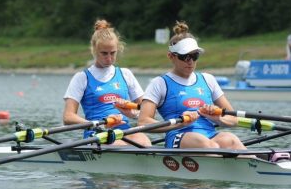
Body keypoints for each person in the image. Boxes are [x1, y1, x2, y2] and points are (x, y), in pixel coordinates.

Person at [138, 21, 247, 150]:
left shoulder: (208, 79)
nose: (190, 61)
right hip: (179, 136)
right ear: (171, 56)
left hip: (210, 135)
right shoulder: (159, 83)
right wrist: (179, 123)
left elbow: (233, 119)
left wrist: (218, 118)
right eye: (185, 57)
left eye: (194, 56)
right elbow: (143, 122)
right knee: (205, 144)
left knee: (231, 139)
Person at [63, 19, 151, 147]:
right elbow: (68, 117)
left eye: (113, 53)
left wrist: (131, 112)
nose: (109, 58)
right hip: (97, 133)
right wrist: (100, 124)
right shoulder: (82, 77)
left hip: (123, 130)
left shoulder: (125, 74)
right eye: (104, 53)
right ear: (94, 50)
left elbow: (144, 108)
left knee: (144, 141)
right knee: (126, 144)